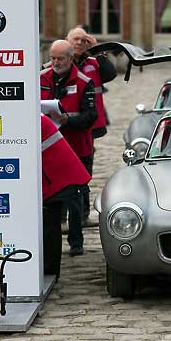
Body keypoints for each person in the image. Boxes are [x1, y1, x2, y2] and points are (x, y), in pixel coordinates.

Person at [40, 40, 97, 256]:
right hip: (47, 149)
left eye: (60, 58)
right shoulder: (40, 78)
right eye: (52, 58)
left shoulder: (84, 82)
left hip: (74, 148)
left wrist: (66, 119)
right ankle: (47, 240)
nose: (55, 62)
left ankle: (76, 242)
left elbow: (90, 116)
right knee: (47, 198)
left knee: (74, 197)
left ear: (70, 58)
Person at [66, 26, 117, 221]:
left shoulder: (94, 63)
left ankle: (83, 215)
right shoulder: (60, 62)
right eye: (75, 39)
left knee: (84, 169)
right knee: (62, 169)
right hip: (65, 126)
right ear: (67, 42)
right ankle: (62, 216)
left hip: (89, 125)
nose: (79, 43)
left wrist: (97, 49)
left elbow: (111, 74)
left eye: (83, 40)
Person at [41, 114, 91, 279]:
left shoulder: (34, 119)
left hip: (58, 176)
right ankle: (49, 269)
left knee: (51, 222)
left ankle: (50, 270)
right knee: (51, 222)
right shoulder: (37, 116)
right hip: (55, 174)